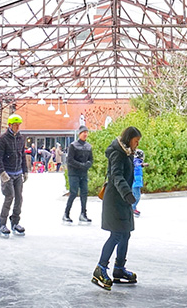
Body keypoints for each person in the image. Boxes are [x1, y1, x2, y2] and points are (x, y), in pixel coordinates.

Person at [91, 126, 141, 291]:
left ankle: (119, 269)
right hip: (115, 199)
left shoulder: (126, 152)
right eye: (136, 141)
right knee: (117, 234)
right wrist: (127, 193)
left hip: (123, 200)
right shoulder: (117, 152)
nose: (137, 144)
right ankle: (100, 268)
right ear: (129, 139)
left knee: (125, 234)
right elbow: (117, 175)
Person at [0, 115, 27, 237]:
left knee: (19, 198)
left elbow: (22, 156)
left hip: (18, 173)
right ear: (10, 125)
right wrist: (2, 173)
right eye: (15, 125)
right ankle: (2, 224)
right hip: (7, 174)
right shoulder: (3, 139)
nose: (17, 127)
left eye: (19, 125)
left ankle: (15, 222)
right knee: (9, 197)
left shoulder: (20, 138)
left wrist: (25, 171)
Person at [63, 125, 93, 224]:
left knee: (84, 193)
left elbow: (91, 159)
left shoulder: (88, 146)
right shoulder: (73, 145)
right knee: (73, 193)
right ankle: (66, 213)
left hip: (83, 173)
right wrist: (81, 165)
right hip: (74, 173)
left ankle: (83, 213)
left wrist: (88, 164)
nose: (85, 134)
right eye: (83, 132)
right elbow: (70, 160)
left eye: (86, 132)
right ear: (79, 134)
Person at [131, 149, 148, 216]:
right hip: (135, 181)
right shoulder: (135, 161)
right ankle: (132, 208)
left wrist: (142, 165)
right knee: (137, 196)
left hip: (136, 181)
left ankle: (133, 208)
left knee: (136, 195)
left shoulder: (137, 161)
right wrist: (142, 164)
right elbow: (136, 164)